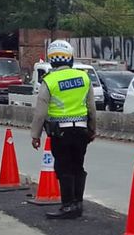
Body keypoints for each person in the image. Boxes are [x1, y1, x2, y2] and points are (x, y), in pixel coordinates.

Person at [31, 40, 96, 219]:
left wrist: (35, 135)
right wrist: (92, 129)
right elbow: (92, 108)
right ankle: (78, 204)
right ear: (71, 58)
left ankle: (68, 205)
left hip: (60, 133)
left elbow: (40, 113)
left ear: (52, 60)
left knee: (63, 168)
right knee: (78, 166)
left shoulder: (50, 80)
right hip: (81, 131)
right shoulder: (84, 77)